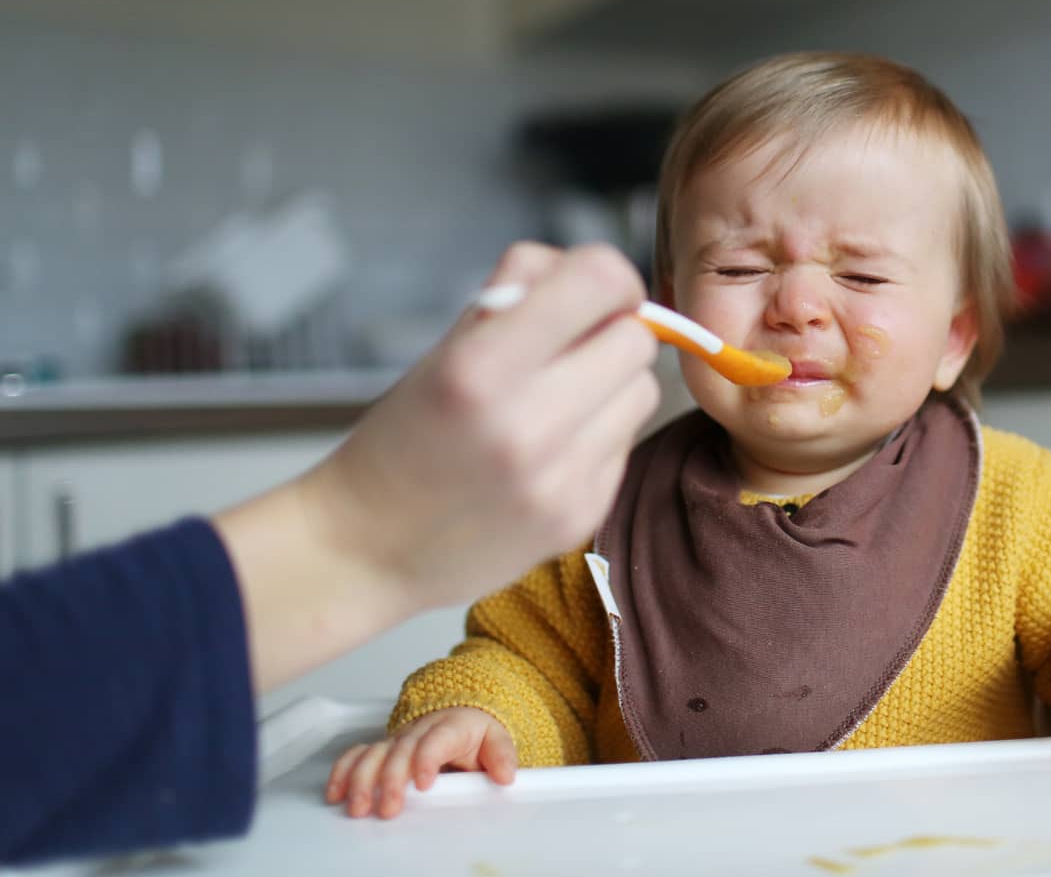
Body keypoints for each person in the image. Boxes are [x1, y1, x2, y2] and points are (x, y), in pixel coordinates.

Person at [327, 52, 1051, 821]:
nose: (797, 306)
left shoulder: (1009, 499)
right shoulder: (596, 506)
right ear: (675, 306)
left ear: (955, 338)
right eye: (740, 265)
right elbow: (524, 668)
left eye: (863, 276)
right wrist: (468, 721)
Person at [0, 242, 661, 864]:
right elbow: (537, 674)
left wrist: (354, 534)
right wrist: (482, 716)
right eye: (735, 268)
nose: (772, 306)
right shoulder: (608, 521)